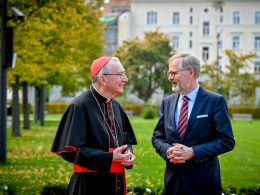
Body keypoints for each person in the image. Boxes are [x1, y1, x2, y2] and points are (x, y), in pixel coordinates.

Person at [152, 52, 235, 195]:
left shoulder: (215, 101)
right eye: (169, 73)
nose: (169, 77)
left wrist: (193, 152)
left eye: (173, 73)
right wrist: (167, 150)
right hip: (173, 183)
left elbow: (227, 141)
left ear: (191, 72)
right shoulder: (167, 102)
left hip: (203, 183)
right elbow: (157, 137)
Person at [51, 56, 137, 195]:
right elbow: (69, 152)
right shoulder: (79, 106)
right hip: (89, 185)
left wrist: (128, 154)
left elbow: (126, 140)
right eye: (120, 74)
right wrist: (109, 158)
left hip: (117, 183)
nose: (125, 79)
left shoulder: (115, 105)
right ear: (103, 79)